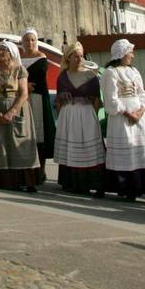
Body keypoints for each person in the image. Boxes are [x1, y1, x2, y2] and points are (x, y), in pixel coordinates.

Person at [100, 39, 145, 203]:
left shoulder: (134, 71)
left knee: (142, 152)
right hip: (121, 120)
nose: (132, 56)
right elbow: (110, 99)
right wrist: (127, 113)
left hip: (139, 120)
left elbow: (142, 94)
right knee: (127, 155)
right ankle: (129, 190)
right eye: (130, 53)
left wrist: (141, 110)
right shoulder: (111, 72)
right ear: (121, 54)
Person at [0, 40, 43, 191]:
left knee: (20, 144)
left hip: (18, 110)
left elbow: (24, 93)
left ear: (11, 52)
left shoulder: (20, 70)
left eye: (3, 50)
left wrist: (12, 111)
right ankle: (8, 181)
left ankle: (28, 181)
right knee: (3, 145)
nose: (0, 53)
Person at [53, 42, 105, 195]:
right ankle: (72, 182)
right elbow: (58, 101)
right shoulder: (63, 77)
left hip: (86, 113)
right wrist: (61, 99)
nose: (80, 59)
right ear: (68, 58)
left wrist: (92, 117)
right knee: (71, 148)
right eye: (76, 56)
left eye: (81, 56)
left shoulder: (90, 75)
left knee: (87, 148)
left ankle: (92, 182)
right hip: (68, 115)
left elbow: (96, 100)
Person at [20, 28, 57, 169]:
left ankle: (40, 168)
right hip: (22, 98)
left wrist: (26, 83)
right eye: (27, 39)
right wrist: (23, 85)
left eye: (32, 40)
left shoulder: (41, 57)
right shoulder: (19, 59)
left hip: (37, 98)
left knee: (39, 133)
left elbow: (39, 78)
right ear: (22, 42)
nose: (29, 42)